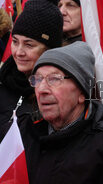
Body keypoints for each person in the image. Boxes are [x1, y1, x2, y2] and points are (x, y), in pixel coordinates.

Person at [19, 41, 103, 184]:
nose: (41, 89)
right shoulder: (23, 131)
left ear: (82, 94)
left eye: (54, 79)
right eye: (38, 79)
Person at [0, 0, 63, 141]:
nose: (18, 52)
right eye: (15, 42)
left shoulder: (63, 91)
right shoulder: (4, 81)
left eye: (29, 45)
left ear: (49, 49)